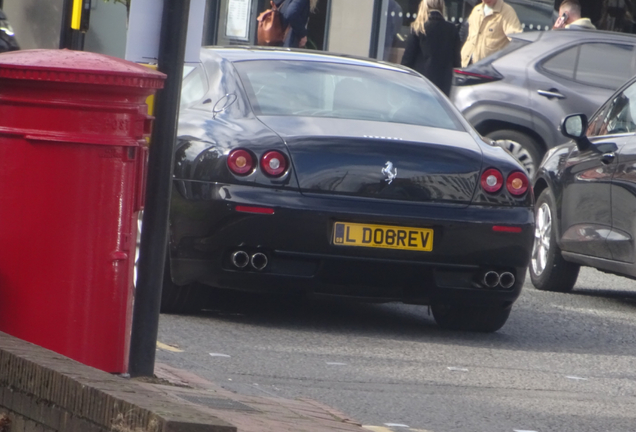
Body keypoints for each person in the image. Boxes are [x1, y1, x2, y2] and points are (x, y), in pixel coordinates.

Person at [401, 0, 461, 96]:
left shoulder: (418, 28)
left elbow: (407, 60)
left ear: (423, 7)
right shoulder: (452, 29)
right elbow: (456, 62)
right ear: (442, 7)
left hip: (421, 83)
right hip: (443, 85)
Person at [460, 0, 522, 68]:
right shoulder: (476, 10)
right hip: (466, 63)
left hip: (489, 68)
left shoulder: (506, 12)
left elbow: (517, 40)